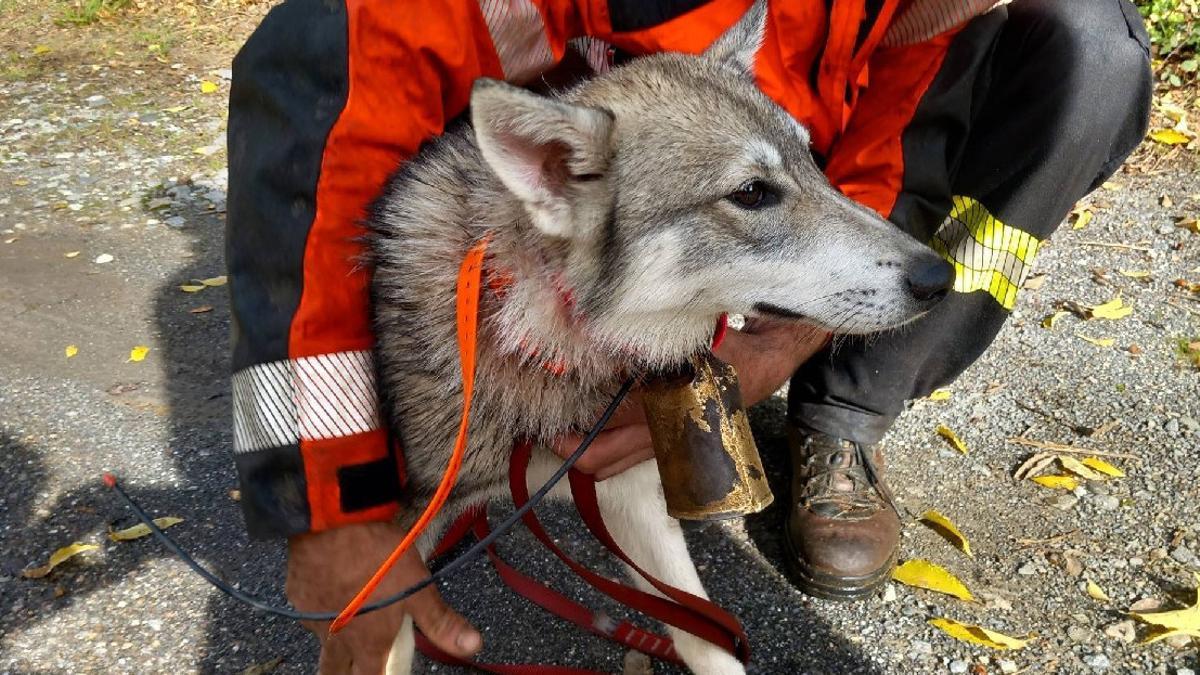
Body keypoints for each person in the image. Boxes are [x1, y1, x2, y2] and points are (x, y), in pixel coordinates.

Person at [226, 0, 1152, 669]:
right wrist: (333, 504)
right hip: (592, 230)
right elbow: (327, 65)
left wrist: (781, 340)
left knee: (1093, 50)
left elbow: (892, 137)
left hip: (686, 223)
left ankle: (843, 423)